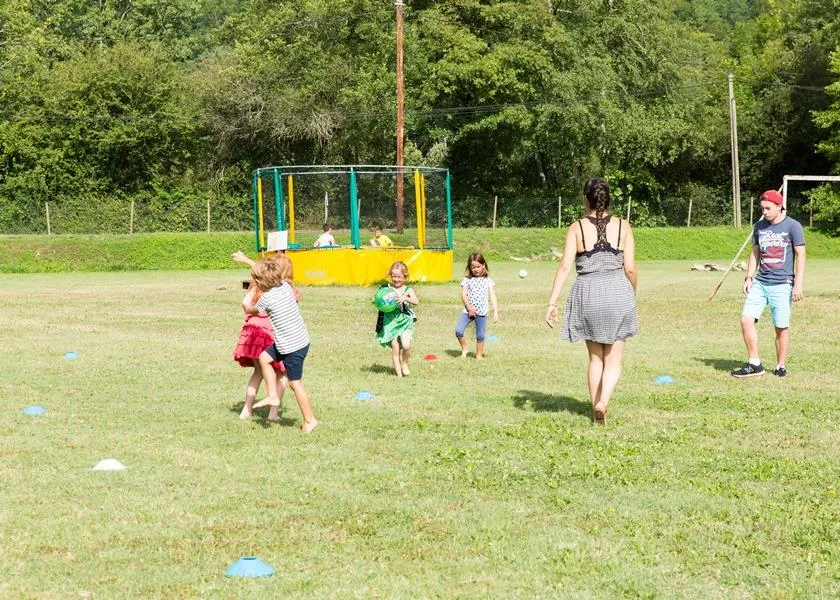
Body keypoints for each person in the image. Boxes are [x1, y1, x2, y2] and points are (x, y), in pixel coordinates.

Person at [545, 177, 638, 425]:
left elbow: (565, 266)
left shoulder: (575, 228)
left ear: (586, 199)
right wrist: (632, 294)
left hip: (587, 291)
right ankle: (603, 402)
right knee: (614, 358)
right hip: (617, 290)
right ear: (608, 199)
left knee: (595, 358)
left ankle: (594, 406)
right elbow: (630, 269)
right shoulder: (623, 226)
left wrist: (552, 303)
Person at [731, 189, 806, 378]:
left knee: (781, 327)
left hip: (782, 284)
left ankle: (780, 365)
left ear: (779, 207)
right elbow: (755, 252)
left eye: (768, 208)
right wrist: (748, 277)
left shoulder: (793, 226)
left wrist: (797, 284)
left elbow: (801, 255)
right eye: (762, 208)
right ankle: (754, 363)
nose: (764, 212)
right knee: (746, 319)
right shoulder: (760, 226)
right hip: (761, 282)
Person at [244, 256, 319, 433]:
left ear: (261, 282)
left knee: (295, 383)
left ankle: (310, 420)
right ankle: (272, 396)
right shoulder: (285, 286)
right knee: (264, 358)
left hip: (292, 347)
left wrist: (247, 304)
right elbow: (268, 273)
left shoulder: (266, 299)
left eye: (255, 280)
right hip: (297, 340)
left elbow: (251, 310)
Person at [233, 283, 286, 421]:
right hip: (270, 332)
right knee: (282, 372)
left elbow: (244, 304)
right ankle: (273, 414)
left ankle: (246, 410)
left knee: (258, 372)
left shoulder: (257, 287)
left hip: (253, 329)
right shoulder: (283, 288)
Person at [375, 261, 418, 376]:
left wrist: (405, 298)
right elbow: (377, 298)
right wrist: (377, 301)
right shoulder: (386, 289)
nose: (396, 279)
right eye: (394, 276)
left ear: (405, 276)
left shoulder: (408, 290)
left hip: (404, 322)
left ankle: (404, 363)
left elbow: (416, 301)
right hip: (390, 322)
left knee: (406, 345)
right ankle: (399, 375)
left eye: (399, 277)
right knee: (395, 347)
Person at [455, 253, 499, 359]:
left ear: (483, 265)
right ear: (470, 267)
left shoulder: (488, 280)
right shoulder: (467, 279)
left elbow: (492, 295)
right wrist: (469, 308)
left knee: (480, 335)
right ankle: (465, 348)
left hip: (482, 312)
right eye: (473, 267)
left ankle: (479, 355)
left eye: (478, 266)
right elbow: (463, 294)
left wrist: (496, 311)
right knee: (459, 331)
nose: (476, 269)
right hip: (468, 311)